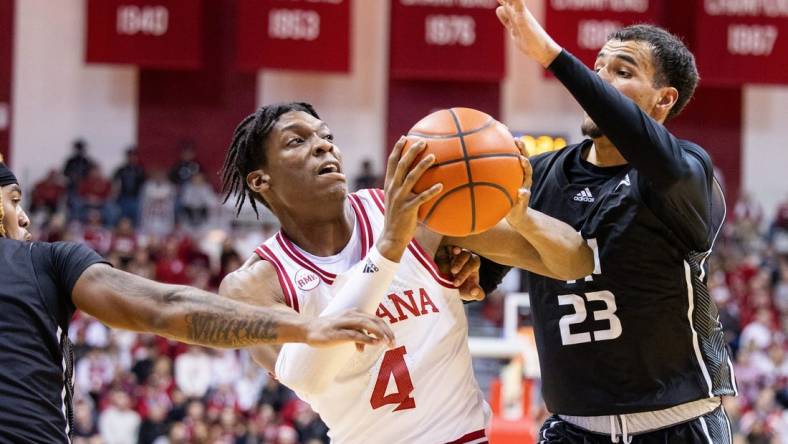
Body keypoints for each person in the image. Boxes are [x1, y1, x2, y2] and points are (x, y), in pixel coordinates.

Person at [218, 102, 593, 443]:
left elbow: (575, 262)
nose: (323, 145)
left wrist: (521, 216)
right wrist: (390, 248)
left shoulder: (423, 211)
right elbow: (308, 375)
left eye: (326, 136)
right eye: (296, 141)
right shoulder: (252, 287)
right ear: (260, 180)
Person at [0, 159, 394, 443]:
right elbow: (166, 307)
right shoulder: (44, 261)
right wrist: (305, 327)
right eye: (14, 201)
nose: (25, 218)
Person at [490, 1, 736, 443]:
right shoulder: (540, 174)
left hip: (676, 424)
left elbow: (650, 146)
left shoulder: (686, 172)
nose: (600, 79)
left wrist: (551, 55)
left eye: (622, 72)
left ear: (664, 99)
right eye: (597, 68)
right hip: (572, 429)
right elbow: (488, 270)